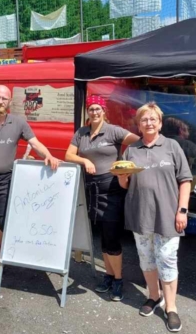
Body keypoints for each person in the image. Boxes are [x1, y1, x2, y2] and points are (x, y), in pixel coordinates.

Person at [0, 85, 60, 280]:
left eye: (4, 99)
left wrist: (49, 156)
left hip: (6, 181)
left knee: (5, 222)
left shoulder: (18, 123)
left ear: (9, 102)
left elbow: (34, 143)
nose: (0, 102)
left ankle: (3, 255)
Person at [117, 102, 192, 332]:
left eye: (153, 119)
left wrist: (182, 210)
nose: (148, 123)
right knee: (147, 260)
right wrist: (121, 175)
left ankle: (171, 308)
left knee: (167, 260)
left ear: (159, 123)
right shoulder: (131, 150)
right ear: (138, 125)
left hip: (168, 216)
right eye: (144, 120)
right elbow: (125, 184)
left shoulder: (172, 146)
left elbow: (185, 180)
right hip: (140, 215)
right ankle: (153, 296)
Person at [65, 95, 139, 301]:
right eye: (91, 109)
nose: (95, 112)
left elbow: (138, 142)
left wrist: (126, 166)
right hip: (92, 190)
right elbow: (68, 155)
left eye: (98, 109)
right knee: (104, 238)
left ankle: (118, 280)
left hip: (113, 191)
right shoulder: (82, 133)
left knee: (112, 238)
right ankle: (108, 276)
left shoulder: (113, 130)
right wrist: (84, 161)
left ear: (104, 111)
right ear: (88, 112)